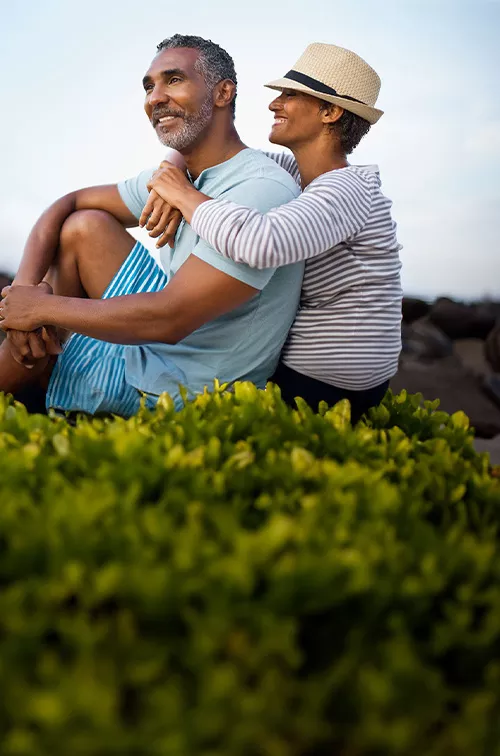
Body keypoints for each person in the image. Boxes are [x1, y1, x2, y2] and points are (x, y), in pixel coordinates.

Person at [0, 35, 303, 416]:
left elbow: (169, 318)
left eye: (173, 80)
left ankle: (32, 375)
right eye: (149, 86)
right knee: (85, 226)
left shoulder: (258, 190)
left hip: (187, 392)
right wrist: (26, 290)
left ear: (223, 93)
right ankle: (32, 351)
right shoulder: (179, 178)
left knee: (40, 316)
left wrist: (41, 309)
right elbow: (70, 202)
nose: (154, 98)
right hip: (158, 352)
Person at [141, 43, 403, 422]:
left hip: (327, 388)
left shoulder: (350, 187)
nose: (273, 104)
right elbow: (210, 153)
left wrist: (182, 194)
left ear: (329, 112)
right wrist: (172, 169)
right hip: (312, 375)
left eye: (290, 95)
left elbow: (260, 244)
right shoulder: (294, 172)